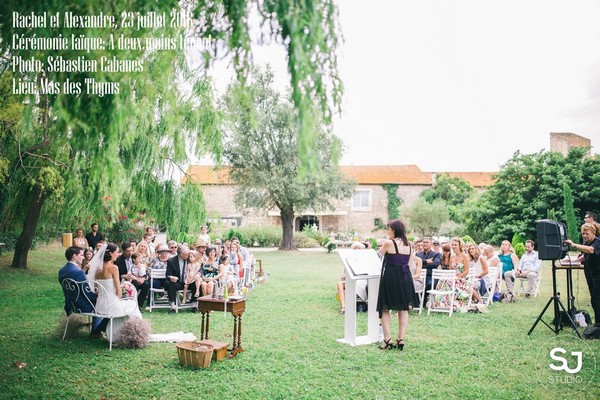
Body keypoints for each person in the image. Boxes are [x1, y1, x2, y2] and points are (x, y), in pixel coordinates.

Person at [86, 243, 142, 340]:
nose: (118, 254)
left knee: (126, 306)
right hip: (111, 305)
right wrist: (124, 292)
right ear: (111, 254)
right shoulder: (113, 268)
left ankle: (101, 332)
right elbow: (119, 293)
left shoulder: (97, 269)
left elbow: (97, 288)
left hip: (100, 305)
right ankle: (132, 334)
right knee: (133, 305)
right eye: (116, 252)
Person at [376, 219, 416, 351]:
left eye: (389, 229)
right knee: (403, 308)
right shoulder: (409, 245)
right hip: (405, 277)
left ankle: (387, 339)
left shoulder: (389, 243)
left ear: (395, 230)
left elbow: (379, 255)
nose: (388, 231)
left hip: (391, 277)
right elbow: (410, 263)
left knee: (385, 307)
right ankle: (401, 338)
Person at [58, 246, 108, 339]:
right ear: (74, 256)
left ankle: (96, 330)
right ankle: (95, 331)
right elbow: (88, 293)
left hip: (71, 304)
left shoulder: (62, 271)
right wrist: (97, 295)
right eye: (81, 255)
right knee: (103, 303)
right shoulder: (78, 272)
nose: (83, 257)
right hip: (82, 305)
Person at [566, 223, 600, 328]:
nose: (585, 236)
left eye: (587, 233)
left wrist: (573, 244)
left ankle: (598, 324)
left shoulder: (597, 242)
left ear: (593, 233)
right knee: (595, 298)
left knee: (596, 299)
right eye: (583, 233)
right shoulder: (587, 242)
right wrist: (572, 261)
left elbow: (590, 250)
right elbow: (585, 256)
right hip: (593, 274)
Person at [164, 244, 194, 313]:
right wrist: (171, 277)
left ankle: (194, 305)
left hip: (189, 282)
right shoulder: (171, 261)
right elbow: (168, 275)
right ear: (180, 254)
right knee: (171, 284)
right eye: (186, 254)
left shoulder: (190, 259)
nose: (188, 256)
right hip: (178, 282)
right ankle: (173, 306)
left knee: (196, 283)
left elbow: (198, 267)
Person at [415, 237, 441, 305]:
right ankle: (417, 301)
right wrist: (426, 261)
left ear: (431, 244)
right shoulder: (418, 254)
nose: (425, 244)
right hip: (421, 276)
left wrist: (421, 264)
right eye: (424, 242)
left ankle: (423, 301)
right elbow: (415, 263)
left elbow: (435, 264)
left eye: (427, 242)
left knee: (430, 284)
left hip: (431, 276)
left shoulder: (436, 254)